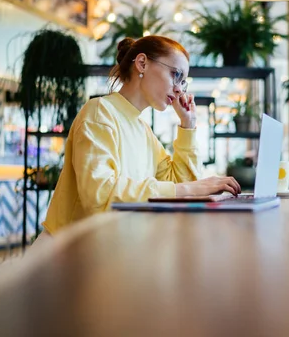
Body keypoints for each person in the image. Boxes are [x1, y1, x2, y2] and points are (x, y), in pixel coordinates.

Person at [40, 35, 241, 236]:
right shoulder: (99, 112)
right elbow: (99, 194)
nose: (179, 89)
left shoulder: (142, 129)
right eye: (176, 74)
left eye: (183, 82)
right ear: (142, 63)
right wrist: (190, 189)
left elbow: (180, 184)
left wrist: (188, 125)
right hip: (68, 253)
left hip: (109, 250)